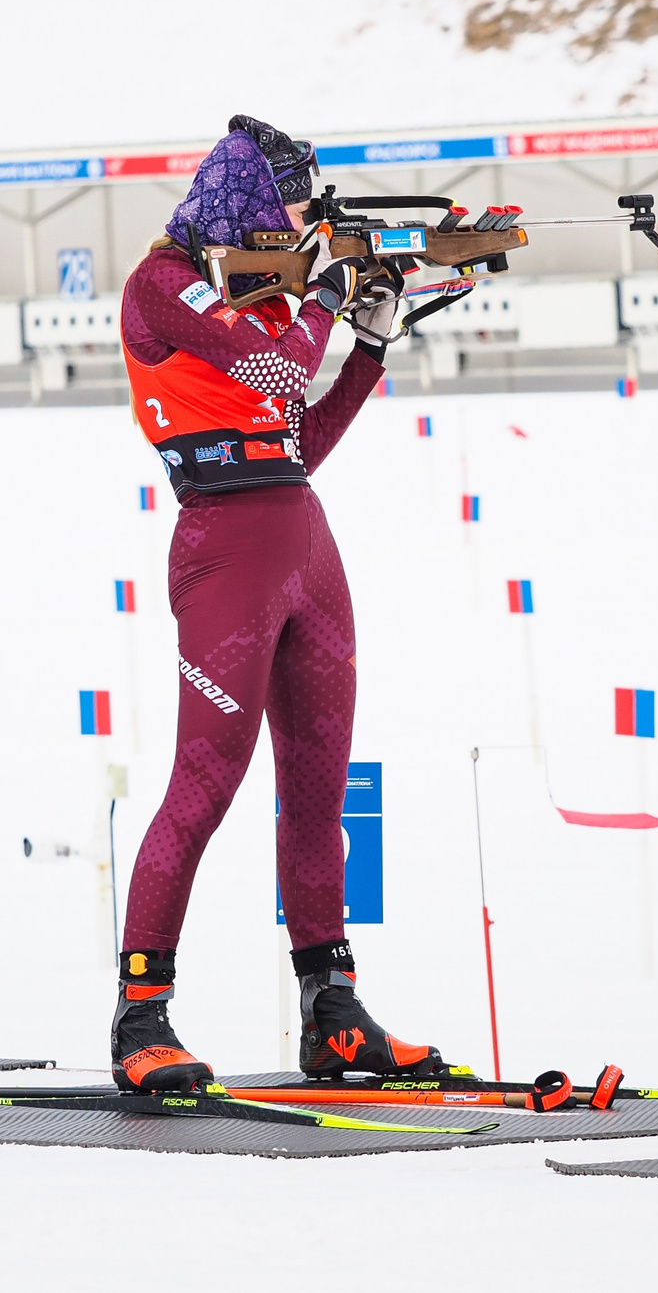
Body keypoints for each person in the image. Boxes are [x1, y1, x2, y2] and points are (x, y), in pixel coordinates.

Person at [109, 114, 450, 1092]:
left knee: (316, 791)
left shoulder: (262, 304)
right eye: (294, 201)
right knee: (203, 785)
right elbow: (280, 371)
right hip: (225, 555)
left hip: (304, 542)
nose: (304, 221)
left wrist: (372, 349)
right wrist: (327, 305)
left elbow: (297, 439)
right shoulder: (162, 289)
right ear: (251, 203)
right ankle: (141, 1018)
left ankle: (332, 1014)